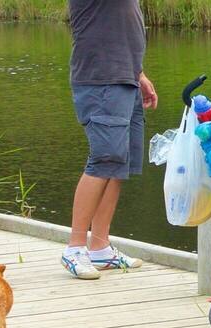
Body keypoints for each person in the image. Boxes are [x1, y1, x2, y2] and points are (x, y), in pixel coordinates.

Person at [59, 0, 155, 280]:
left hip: (125, 78)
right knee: (104, 159)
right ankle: (75, 248)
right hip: (100, 81)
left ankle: (100, 246)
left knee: (118, 163)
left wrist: (139, 74)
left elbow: (118, 24)